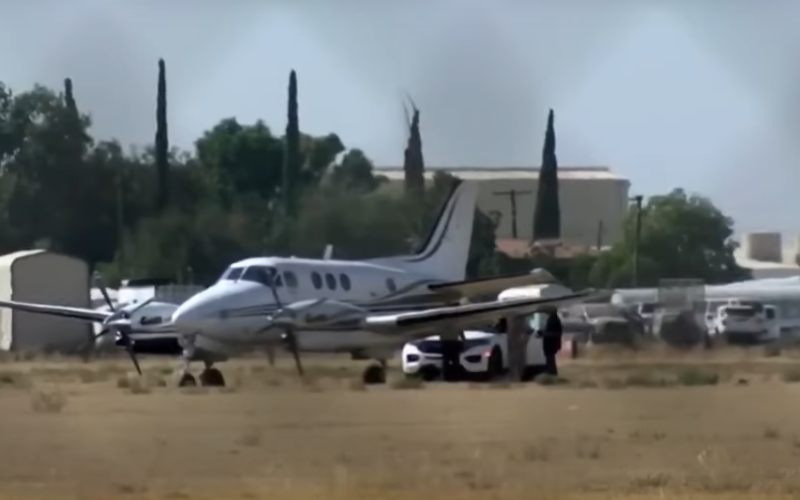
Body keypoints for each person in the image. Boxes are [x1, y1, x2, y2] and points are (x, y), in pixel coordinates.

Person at [539, 307, 563, 376]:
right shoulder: (553, 318)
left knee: (550, 357)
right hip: (552, 342)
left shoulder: (553, 319)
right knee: (550, 357)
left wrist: (543, 333)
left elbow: (554, 332)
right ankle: (551, 371)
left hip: (551, 342)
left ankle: (551, 372)